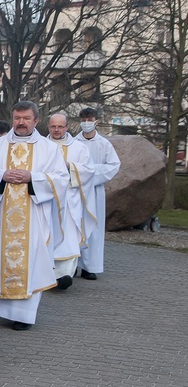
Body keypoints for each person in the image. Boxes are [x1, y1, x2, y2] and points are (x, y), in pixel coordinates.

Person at [0, 101, 69, 331]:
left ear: (36, 120)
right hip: (1, 213)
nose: (20, 123)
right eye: (17, 118)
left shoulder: (49, 148)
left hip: (33, 215)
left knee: (30, 261)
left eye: (26, 118)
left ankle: (23, 315)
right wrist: (2, 175)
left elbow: (61, 180)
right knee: (2, 258)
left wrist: (32, 177)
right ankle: (4, 309)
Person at [47, 113, 97, 290]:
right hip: (46, 198)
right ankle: (47, 276)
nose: (57, 130)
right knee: (46, 235)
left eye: (60, 126)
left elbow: (89, 171)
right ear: (48, 126)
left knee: (68, 235)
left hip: (68, 199)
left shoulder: (79, 148)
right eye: (53, 126)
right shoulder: (41, 146)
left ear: (67, 127)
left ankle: (64, 275)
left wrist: (70, 167)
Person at [74, 107, 121, 280]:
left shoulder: (104, 144)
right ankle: (71, 264)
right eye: (83, 120)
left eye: (89, 119)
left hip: (94, 190)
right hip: (76, 190)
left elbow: (113, 165)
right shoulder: (74, 142)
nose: (86, 123)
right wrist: (81, 174)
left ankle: (90, 266)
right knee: (75, 225)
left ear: (96, 121)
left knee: (93, 226)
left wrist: (90, 173)